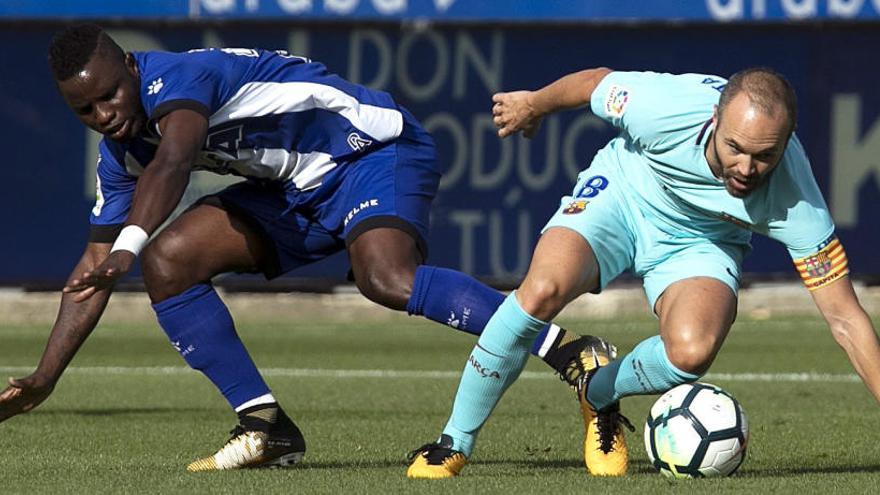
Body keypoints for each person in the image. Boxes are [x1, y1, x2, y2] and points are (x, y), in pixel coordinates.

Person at [0, 24, 608, 471]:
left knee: (385, 279)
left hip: (371, 151)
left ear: (131, 68)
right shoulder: (121, 151)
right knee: (170, 262)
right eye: (85, 109)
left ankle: (573, 351)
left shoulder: (178, 78)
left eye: (109, 95)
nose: (104, 114)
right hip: (296, 188)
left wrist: (128, 245)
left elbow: (178, 159)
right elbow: (89, 269)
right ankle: (265, 424)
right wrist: (46, 378)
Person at [405, 67, 880, 479]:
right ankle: (454, 441)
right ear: (715, 119)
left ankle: (597, 388)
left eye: (765, 156)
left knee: (691, 354)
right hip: (623, 198)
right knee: (542, 290)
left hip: (702, 242)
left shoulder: (799, 201)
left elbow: (845, 319)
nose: (747, 167)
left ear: (790, 142)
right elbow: (595, 83)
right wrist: (533, 104)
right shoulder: (665, 106)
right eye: (735, 147)